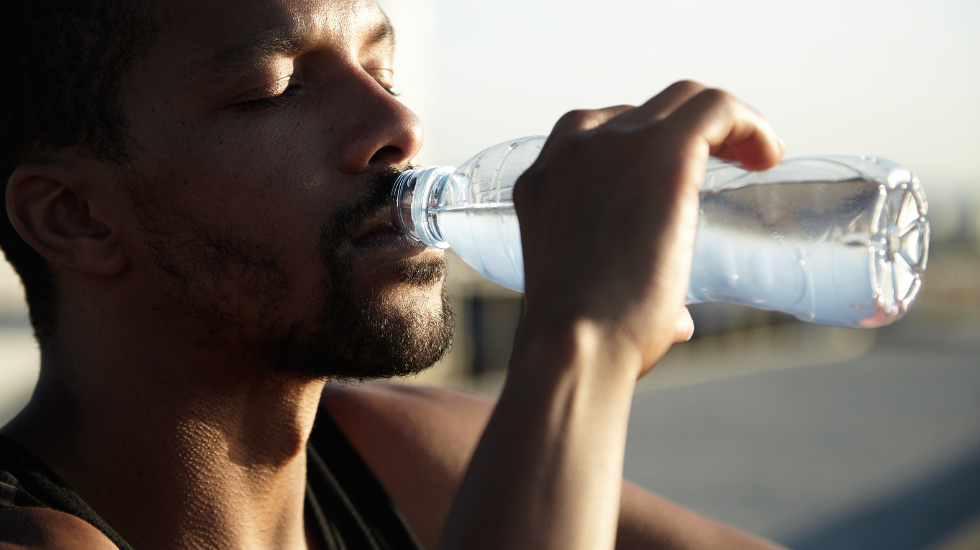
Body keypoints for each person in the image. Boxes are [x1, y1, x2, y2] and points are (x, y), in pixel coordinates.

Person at [0, 0, 790, 548]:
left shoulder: (409, 452)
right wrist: (582, 340)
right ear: (76, 215)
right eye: (277, 90)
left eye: (383, 72)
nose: (400, 126)